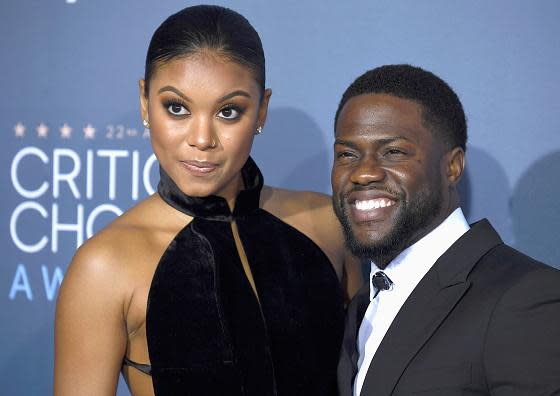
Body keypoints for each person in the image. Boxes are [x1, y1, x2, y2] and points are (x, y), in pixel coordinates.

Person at [54, 5, 361, 396]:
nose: (202, 139)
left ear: (262, 109)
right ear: (145, 103)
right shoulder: (104, 267)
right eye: (176, 108)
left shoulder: (330, 225)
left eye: (229, 111)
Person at [332, 64, 560, 396]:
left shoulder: (530, 300)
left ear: (452, 167)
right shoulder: (360, 308)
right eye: (347, 154)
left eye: (393, 152)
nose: (363, 173)